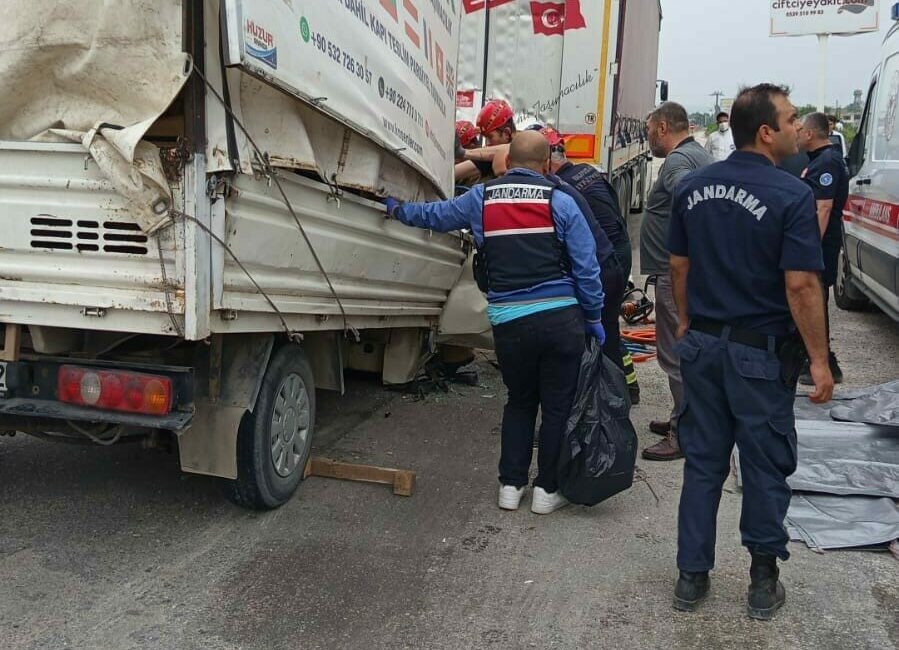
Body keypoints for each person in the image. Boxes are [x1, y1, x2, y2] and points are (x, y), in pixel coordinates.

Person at [667, 83, 834, 621]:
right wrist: (819, 359)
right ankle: (763, 582)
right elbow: (802, 286)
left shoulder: (692, 187)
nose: (795, 128)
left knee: (703, 464)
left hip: (704, 348)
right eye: (788, 120)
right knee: (764, 466)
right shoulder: (791, 195)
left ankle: (692, 577)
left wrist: (689, 324)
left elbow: (678, 267)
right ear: (766, 132)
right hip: (758, 356)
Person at [385, 131, 606, 515]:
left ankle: (511, 484)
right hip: (560, 321)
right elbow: (587, 270)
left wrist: (396, 209)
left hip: (510, 324)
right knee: (556, 407)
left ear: (508, 162)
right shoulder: (562, 201)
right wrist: (594, 316)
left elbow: (436, 216)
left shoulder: (482, 198)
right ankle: (546, 491)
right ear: (547, 164)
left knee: (519, 401)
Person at [541, 126, 641, 402]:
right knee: (609, 327)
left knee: (599, 331)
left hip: (603, 261)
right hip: (618, 252)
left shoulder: (563, 189)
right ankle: (628, 388)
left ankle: (611, 399)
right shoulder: (587, 171)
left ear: (548, 160)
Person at [639, 101, 713, 461]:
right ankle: (682, 419)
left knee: (675, 356)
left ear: (663, 128)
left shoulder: (677, 162)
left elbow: (688, 194)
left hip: (675, 274)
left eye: (650, 128)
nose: (648, 136)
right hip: (686, 270)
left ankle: (682, 434)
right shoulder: (699, 154)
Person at [798, 112, 849, 384]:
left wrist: (808, 247)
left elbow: (824, 208)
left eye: (800, 130)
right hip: (819, 243)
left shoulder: (827, 161)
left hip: (821, 244)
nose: (796, 135)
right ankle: (814, 359)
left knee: (816, 301)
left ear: (810, 133)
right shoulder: (819, 161)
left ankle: (825, 363)